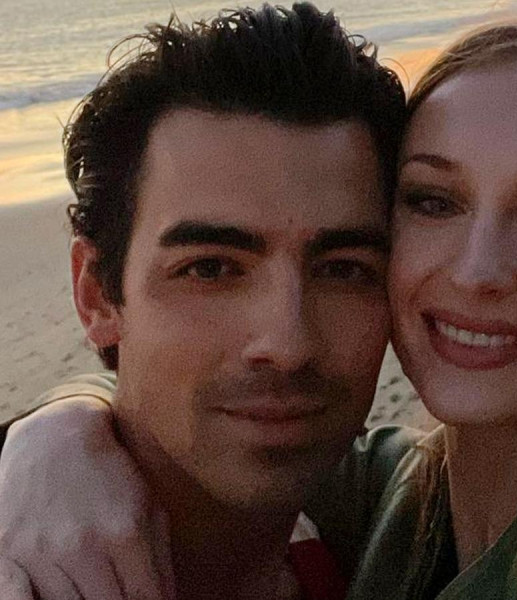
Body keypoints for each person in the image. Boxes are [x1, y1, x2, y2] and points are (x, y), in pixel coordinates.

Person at [3, 18, 517, 600]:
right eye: (434, 201)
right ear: (96, 294)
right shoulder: (398, 498)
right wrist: (55, 433)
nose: (478, 272)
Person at [0, 3, 407, 599]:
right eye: (209, 269)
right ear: (97, 295)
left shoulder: (396, 519)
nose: (288, 344)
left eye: (344, 270)